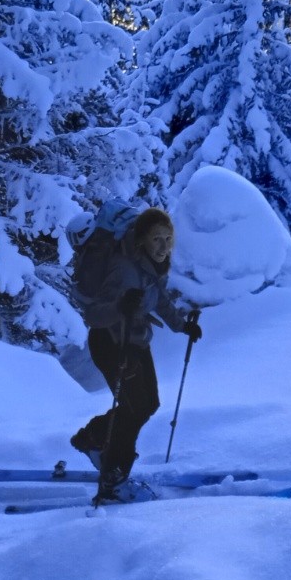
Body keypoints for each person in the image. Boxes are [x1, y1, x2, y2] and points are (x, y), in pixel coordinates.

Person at [70, 207, 202, 501]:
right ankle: (113, 476)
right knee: (133, 409)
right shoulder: (125, 270)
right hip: (111, 343)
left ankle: (93, 438)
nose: (164, 246)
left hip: (136, 341)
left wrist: (183, 326)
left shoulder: (152, 267)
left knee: (148, 403)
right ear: (141, 240)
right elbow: (94, 315)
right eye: (156, 239)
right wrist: (120, 307)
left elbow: (161, 300)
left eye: (168, 239)